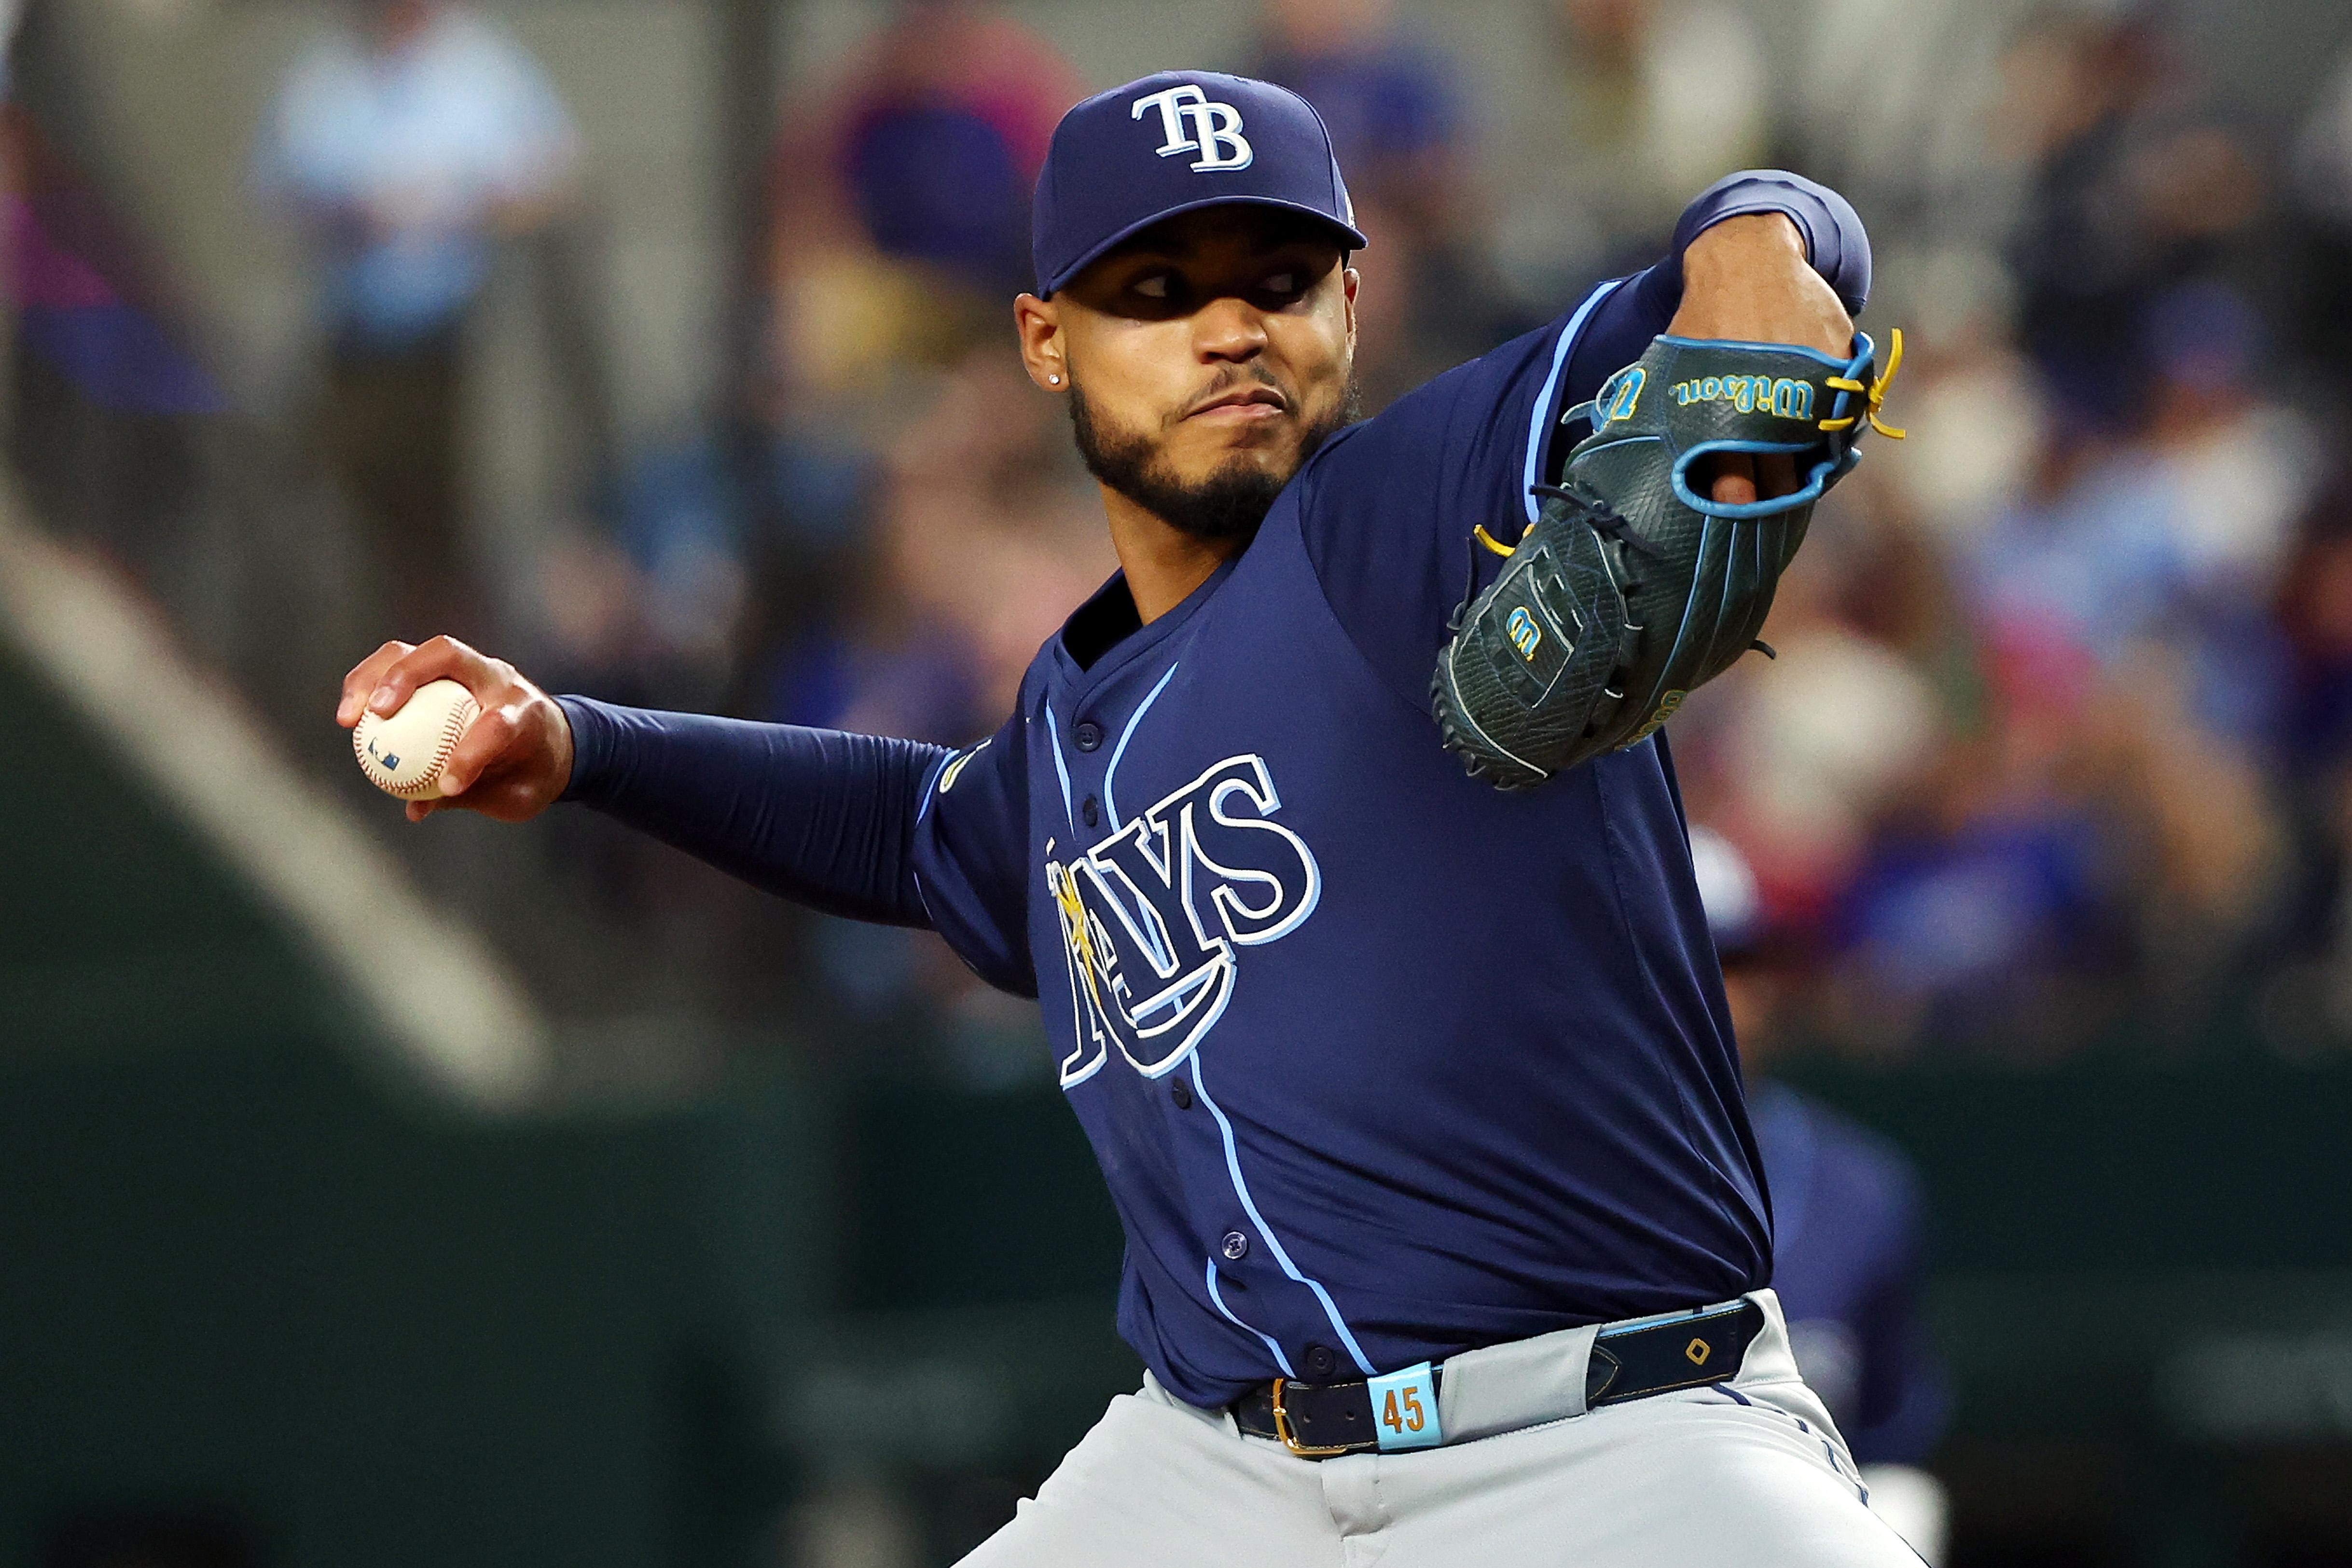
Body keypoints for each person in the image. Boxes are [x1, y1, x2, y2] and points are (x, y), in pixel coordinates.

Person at [338, 71, 1914, 1564]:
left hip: (1607, 1442)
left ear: (1351, 307)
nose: (1229, 327)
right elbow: (920, 830)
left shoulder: (1408, 512)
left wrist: (1760, 250)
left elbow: (1795, 246)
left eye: (1281, 280)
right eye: (1155, 293)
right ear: (1043, 339)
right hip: (1223, 1470)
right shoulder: (1070, 717)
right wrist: (582, 742)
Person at [254, 0, 580, 641]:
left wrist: (462, 211)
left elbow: (553, 182)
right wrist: (354, 212)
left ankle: (467, 675)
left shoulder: (484, 70)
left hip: (463, 346)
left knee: (455, 527)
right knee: (357, 527)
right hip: (354, 346)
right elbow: (277, 186)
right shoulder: (327, 75)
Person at [1689, 826, 1951, 1563]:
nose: (1714, 991)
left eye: (1734, 962)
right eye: (1677, 959)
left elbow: (1891, 1438)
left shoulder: (1856, 1187)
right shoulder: (1544, 1179)